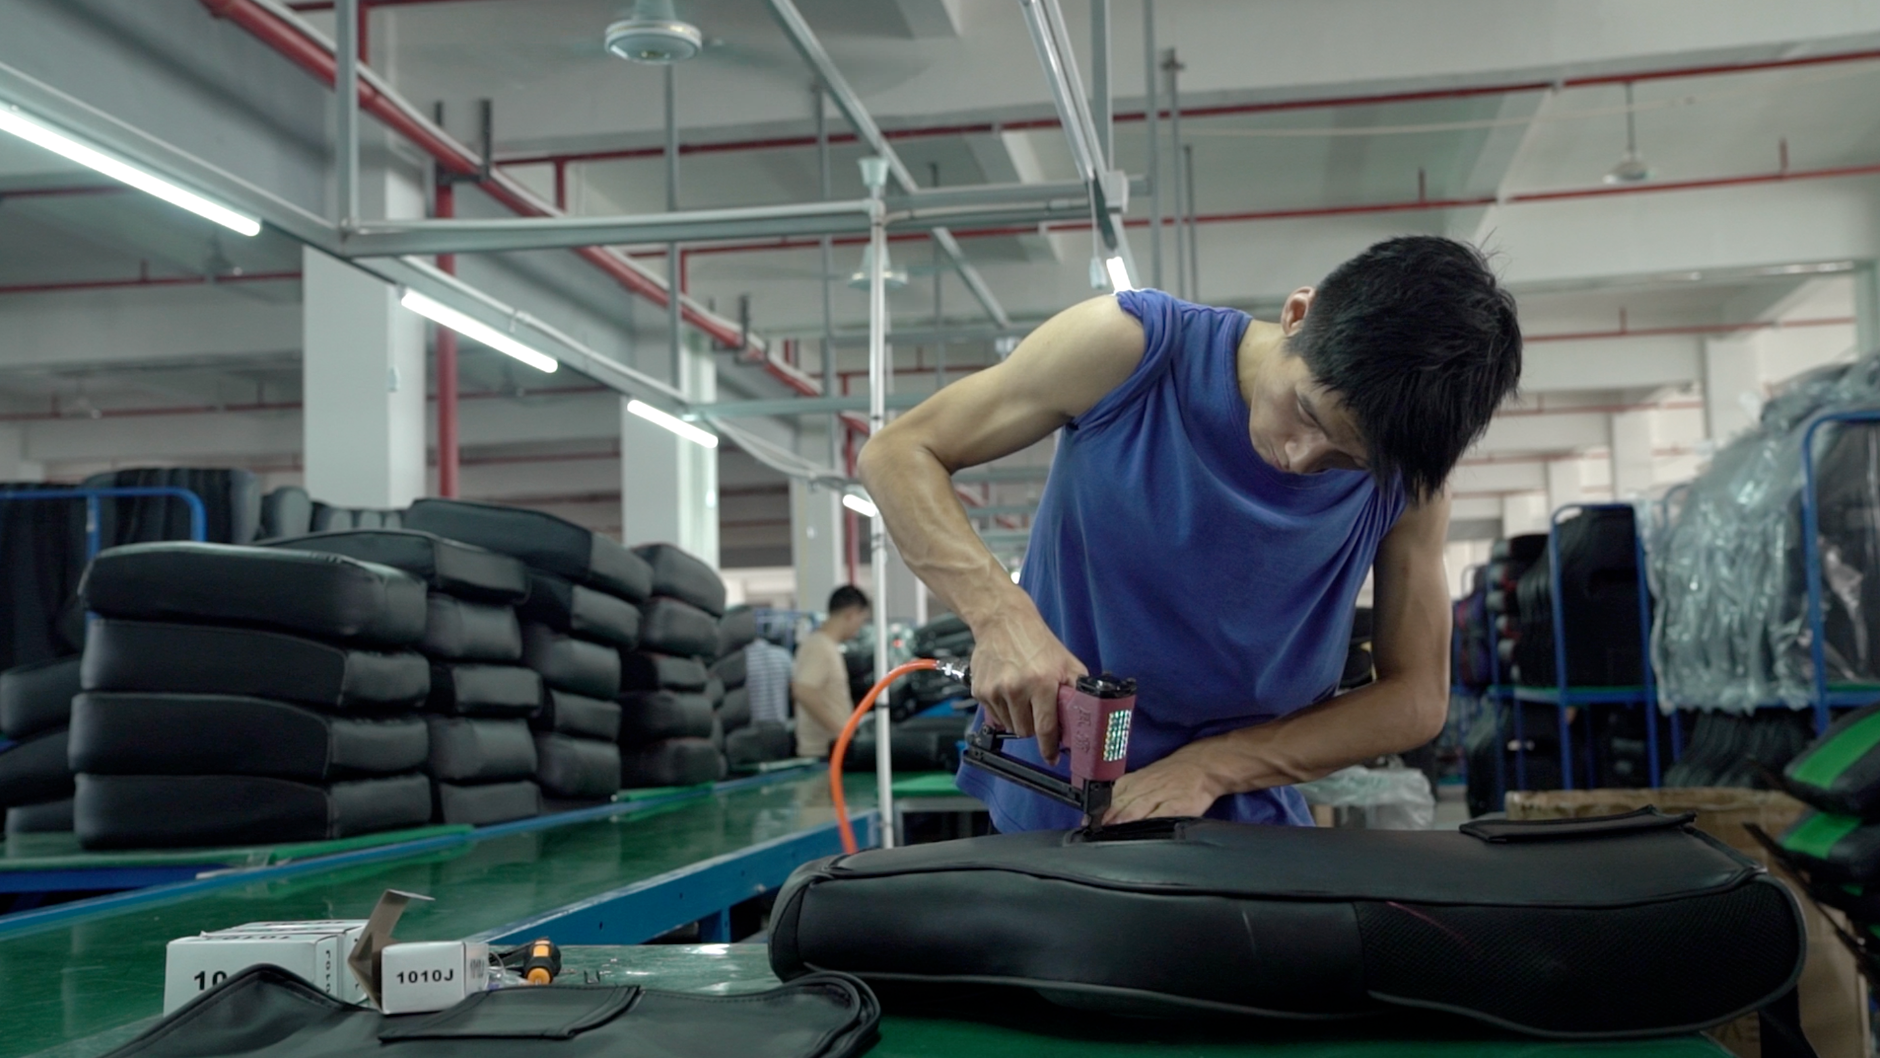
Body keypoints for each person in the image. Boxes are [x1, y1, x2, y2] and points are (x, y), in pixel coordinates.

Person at [859, 235, 1521, 832]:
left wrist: (1213, 767)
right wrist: (1001, 618)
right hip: (1059, 783)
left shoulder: (1407, 482)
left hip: (1239, 798)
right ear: (1299, 314)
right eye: (1306, 412)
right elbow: (898, 453)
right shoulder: (1129, 349)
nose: (1299, 459)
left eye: (1347, 459)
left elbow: (1416, 699)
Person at [791, 585, 871, 759]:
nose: (860, 627)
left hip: (832, 750)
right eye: (862, 620)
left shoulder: (827, 645)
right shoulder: (819, 647)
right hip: (822, 753)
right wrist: (841, 731)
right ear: (851, 614)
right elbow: (803, 691)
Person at [744, 634, 793, 726]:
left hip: (750, 728)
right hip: (780, 726)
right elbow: (795, 691)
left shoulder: (741, 661)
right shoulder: (783, 655)